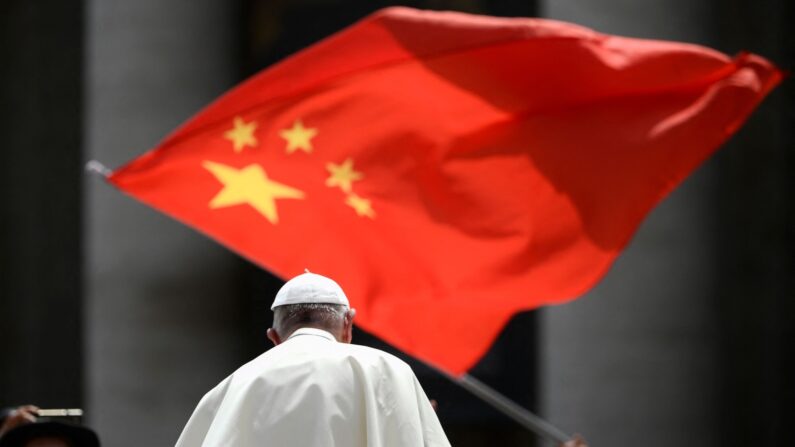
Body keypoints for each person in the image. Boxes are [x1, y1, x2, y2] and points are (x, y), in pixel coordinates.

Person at [175, 271, 451, 447]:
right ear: (348, 325)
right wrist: (411, 414)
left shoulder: (233, 387)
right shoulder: (389, 371)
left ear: (273, 337)